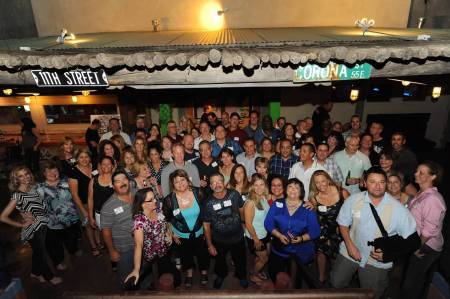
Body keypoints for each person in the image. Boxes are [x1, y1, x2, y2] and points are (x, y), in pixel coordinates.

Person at [330, 166, 417, 299]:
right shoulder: (353, 200)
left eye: (382, 182)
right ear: (364, 183)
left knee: (371, 294)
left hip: (376, 261)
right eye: (372, 182)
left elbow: (414, 241)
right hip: (349, 251)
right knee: (336, 283)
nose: (378, 186)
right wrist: (349, 245)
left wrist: (390, 253)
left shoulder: (398, 209)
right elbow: (343, 222)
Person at [0, 165, 62, 284]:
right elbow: (3, 217)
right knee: (42, 253)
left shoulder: (33, 187)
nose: (25, 178)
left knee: (38, 252)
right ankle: (49, 277)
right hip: (33, 229)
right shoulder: (17, 196)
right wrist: (20, 224)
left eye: (26, 174)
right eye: (20, 176)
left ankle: (35, 272)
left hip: (44, 224)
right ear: (16, 179)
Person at [401, 162, 447, 299]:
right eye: (417, 171)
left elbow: (428, 230)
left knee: (411, 283)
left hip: (426, 245)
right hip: (418, 241)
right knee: (412, 279)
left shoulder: (433, 199)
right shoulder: (422, 193)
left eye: (421, 172)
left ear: (433, 176)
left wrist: (416, 247)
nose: (416, 174)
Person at [264, 178, 320, 288]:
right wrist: (279, 235)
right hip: (279, 248)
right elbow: (268, 223)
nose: (293, 189)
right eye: (290, 187)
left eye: (296, 187)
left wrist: (302, 238)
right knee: (274, 273)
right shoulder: (277, 204)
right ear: (286, 190)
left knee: (295, 280)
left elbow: (315, 231)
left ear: (301, 191)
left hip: (298, 251)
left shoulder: (307, 208)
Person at [124, 188, 180, 289]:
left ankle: (156, 284)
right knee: (170, 277)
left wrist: (169, 233)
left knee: (172, 277)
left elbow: (165, 222)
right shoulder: (139, 221)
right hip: (152, 255)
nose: (155, 201)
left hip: (164, 250)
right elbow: (138, 245)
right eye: (150, 200)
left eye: (154, 198)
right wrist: (136, 269)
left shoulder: (157, 208)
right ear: (142, 204)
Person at [162, 170, 209, 287]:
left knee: (202, 254)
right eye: (176, 181)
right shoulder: (168, 200)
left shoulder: (199, 193)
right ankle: (189, 274)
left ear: (188, 180)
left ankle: (204, 272)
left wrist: (207, 230)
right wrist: (172, 233)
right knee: (185, 256)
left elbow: (206, 213)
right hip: (181, 235)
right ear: (173, 184)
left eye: (182, 179)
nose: (180, 183)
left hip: (200, 232)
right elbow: (166, 219)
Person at [203, 173, 249, 289]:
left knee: (240, 259)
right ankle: (221, 275)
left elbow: (241, 209)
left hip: (237, 236)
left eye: (219, 181)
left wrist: (243, 224)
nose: (217, 184)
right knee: (220, 261)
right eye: (213, 182)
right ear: (210, 186)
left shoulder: (234, 194)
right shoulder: (207, 203)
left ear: (224, 183)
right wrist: (209, 245)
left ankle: (242, 275)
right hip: (219, 239)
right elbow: (206, 225)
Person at [308, 170, 350, 285]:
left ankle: (335, 277)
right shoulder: (314, 198)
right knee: (321, 253)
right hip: (322, 230)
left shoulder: (342, 193)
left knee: (335, 256)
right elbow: (311, 214)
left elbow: (353, 211)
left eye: (323, 181)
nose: (321, 185)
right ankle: (321, 277)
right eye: (317, 182)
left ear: (328, 180)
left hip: (339, 230)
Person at [37, 160, 80, 270]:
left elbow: (76, 197)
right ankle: (59, 262)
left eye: (55, 170)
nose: (52, 173)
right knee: (55, 245)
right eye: (48, 171)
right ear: (44, 174)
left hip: (71, 219)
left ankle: (73, 250)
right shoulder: (39, 188)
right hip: (53, 223)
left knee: (72, 239)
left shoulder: (67, 182)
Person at [100, 170, 136, 288]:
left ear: (129, 181)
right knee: (126, 278)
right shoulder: (108, 206)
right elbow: (106, 231)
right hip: (124, 249)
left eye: (124, 179)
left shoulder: (138, 194)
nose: (122, 183)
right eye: (117, 181)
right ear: (113, 185)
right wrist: (112, 251)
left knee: (142, 270)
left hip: (142, 243)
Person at [68, 148, 98, 255]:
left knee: (96, 223)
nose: (84, 159)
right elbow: (74, 195)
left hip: (96, 202)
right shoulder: (73, 172)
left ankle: (98, 241)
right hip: (83, 204)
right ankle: (93, 246)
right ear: (77, 159)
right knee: (88, 226)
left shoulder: (94, 167)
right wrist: (83, 210)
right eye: (81, 157)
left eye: (86, 157)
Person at [244, 174, 270, 284]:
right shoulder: (250, 202)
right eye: (256, 185)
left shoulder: (263, 198)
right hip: (255, 237)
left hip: (263, 234)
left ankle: (255, 270)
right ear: (252, 187)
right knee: (264, 259)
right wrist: (256, 240)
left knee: (260, 258)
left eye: (261, 184)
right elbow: (248, 224)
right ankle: (253, 275)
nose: (259, 187)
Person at [88, 156, 115, 257]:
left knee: (117, 236)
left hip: (116, 214)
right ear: (100, 166)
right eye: (103, 164)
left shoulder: (117, 179)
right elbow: (90, 199)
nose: (106, 166)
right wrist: (90, 217)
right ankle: (111, 254)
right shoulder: (93, 181)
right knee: (106, 236)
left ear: (112, 166)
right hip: (100, 215)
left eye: (109, 164)